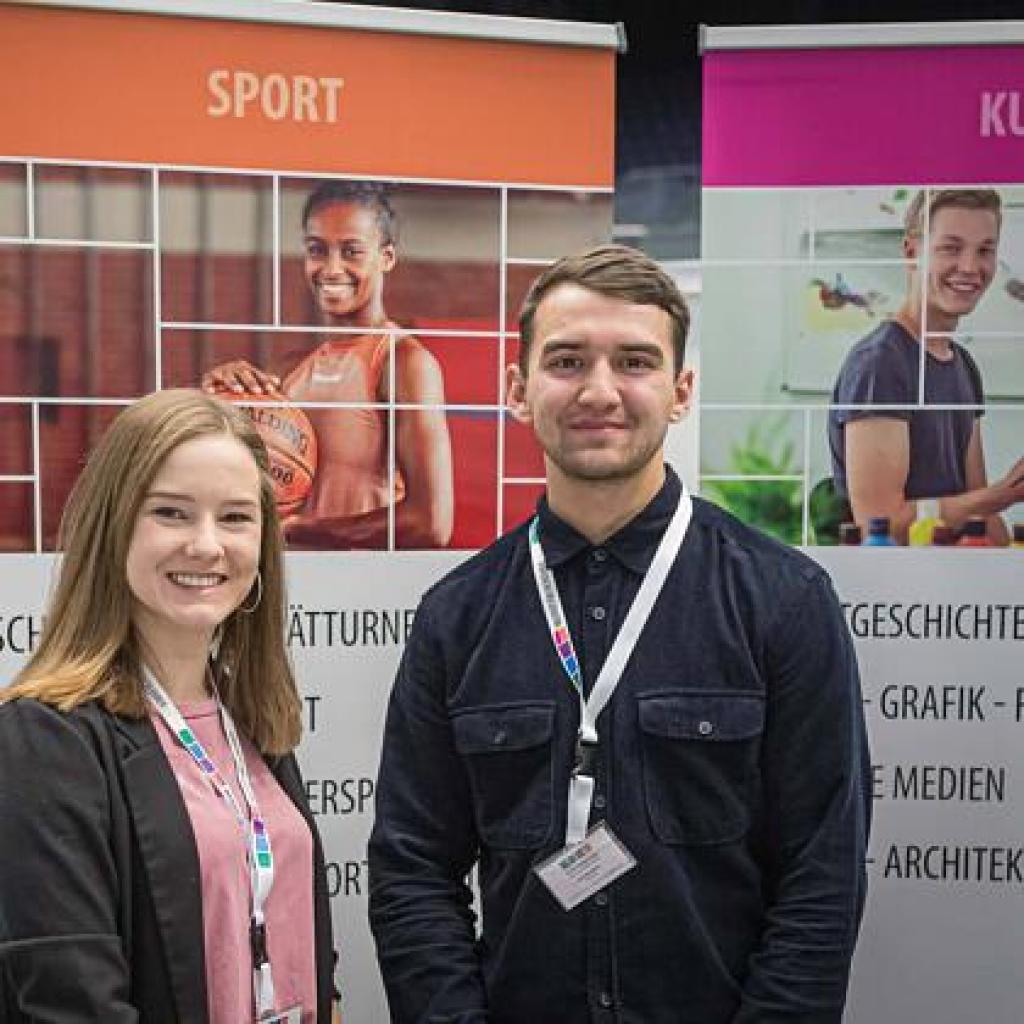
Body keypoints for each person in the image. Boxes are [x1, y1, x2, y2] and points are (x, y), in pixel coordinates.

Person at [368, 245, 871, 1022]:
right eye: (567, 361)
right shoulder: (455, 619)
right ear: (518, 390)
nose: (599, 390)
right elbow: (413, 870)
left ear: (681, 391)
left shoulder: (785, 602)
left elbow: (822, 874)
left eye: (634, 362)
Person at [0, 389, 336, 1022]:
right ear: (113, 527)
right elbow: (72, 1003)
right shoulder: (45, 738)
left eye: (235, 517)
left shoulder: (247, 719)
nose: (207, 545)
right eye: (171, 513)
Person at [202, 180, 454, 550]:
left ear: (386, 258)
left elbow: (431, 523)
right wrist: (216, 398)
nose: (332, 269)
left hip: (361, 584)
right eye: (317, 250)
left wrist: (302, 530)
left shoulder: (403, 361)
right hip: (289, 578)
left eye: (351, 251)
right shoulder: (287, 370)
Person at [829, 188, 1024, 544]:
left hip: (957, 577)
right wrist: (1002, 494)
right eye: (951, 248)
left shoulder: (963, 364)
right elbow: (880, 524)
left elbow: (979, 514)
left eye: (985, 250)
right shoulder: (881, 364)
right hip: (898, 580)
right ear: (911, 252)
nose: (971, 267)